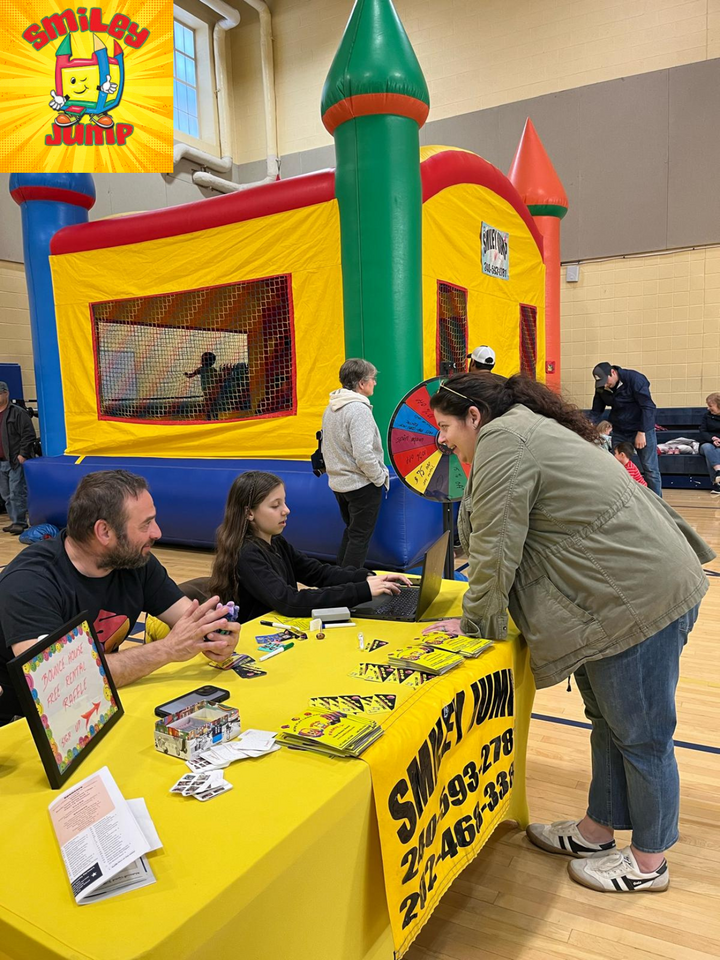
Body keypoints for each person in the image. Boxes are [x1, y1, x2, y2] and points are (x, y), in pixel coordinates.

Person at [423, 372, 713, 894]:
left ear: (474, 417)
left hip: (636, 599)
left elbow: (493, 549)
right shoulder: (521, 427)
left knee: (642, 735)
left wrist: (476, 629)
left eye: (444, 426)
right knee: (608, 722)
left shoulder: (505, 438)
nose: (441, 439)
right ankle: (598, 830)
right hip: (620, 594)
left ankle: (649, 862)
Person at [0, 470, 239, 725]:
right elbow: (58, 683)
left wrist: (216, 635)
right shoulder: (30, 582)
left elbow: (191, 622)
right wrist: (167, 649)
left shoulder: (136, 562)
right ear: (104, 532)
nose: (157, 532)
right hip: (27, 722)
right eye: (146, 524)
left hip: (99, 704)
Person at [208, 471, 410, 623]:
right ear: (249, 513)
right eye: (275, 505)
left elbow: (318, 573)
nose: (286, 510)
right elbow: (289, 601)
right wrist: (362, 590)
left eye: (284, 502)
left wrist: (366, 577)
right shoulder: (247, 554)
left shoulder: (276, 542)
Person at [321, 359, 389, 568]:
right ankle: (349, 582)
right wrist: (379, 478)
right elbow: (363, 454)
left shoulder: (331, 407)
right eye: (372, 379)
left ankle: (339, 578)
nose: (375, 383)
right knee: (359, 538)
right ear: (361, 383)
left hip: (339, 484)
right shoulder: (358, 410)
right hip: (361, 485)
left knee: (352, 533)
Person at [590, 361, 662, 496]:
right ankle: (620, 499)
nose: (605, 385)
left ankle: (657, 502)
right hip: (620, 429)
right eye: (601, 383)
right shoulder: (601, 387)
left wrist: (642, 432)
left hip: (641, 428)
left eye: (606, 381)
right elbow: (596, 411)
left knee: (650, 469)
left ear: (613, 372)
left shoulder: (635, 379)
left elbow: (648, 407)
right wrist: (588, 426)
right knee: (616, 467)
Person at [0, 381, 36, 535]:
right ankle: (14, 520)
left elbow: (28, 435)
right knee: (6, 494)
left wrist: (22, 455)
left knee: (16, 492)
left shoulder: (18, 413)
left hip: (14, 460)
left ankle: (20, 522)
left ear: (6, 394)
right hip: (1, 461)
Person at [184, 351, 221, 420]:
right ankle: (215, 418)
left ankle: (209, 419)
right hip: (213, 391)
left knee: (208, 405)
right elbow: (218, 379)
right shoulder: (212, 370)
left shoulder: (202, 369)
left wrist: (187, 375)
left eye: (202, 359)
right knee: (213, 405)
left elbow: (191, 375)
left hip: (208, 391)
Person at [698, 392, 720, 495]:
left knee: (713, 453)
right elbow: (702, 431)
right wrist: (712, 438)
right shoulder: (706, 416)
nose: (708, 408)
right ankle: (718, 471)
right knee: (708, 448)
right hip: (707, 443)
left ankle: (716, 484)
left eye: (710, 406)